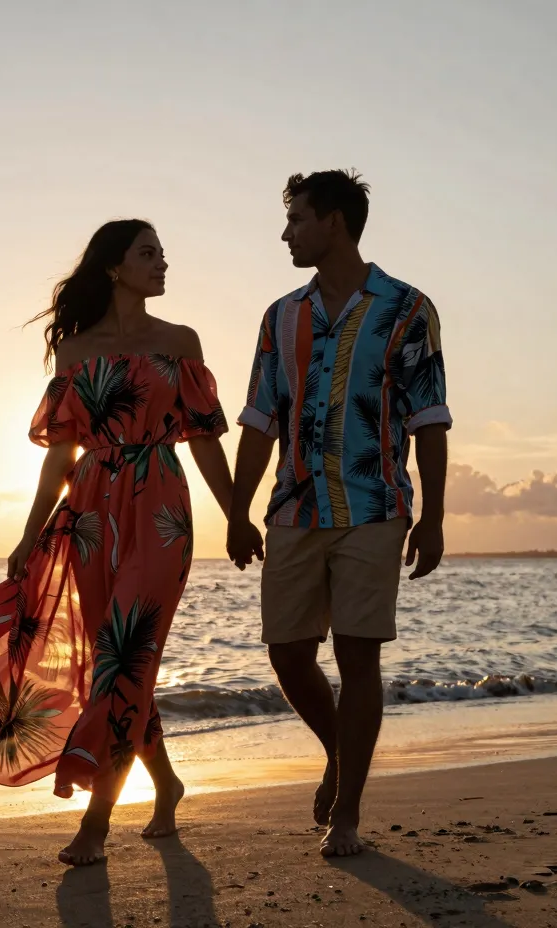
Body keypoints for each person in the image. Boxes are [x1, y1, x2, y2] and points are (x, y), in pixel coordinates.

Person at [0, 219, 234, 866]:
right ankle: (166, 783)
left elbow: (203, 437)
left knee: (126, 651)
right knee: (118, 661)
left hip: (161, 508)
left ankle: (96, 822)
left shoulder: (181, 341)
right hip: (90, 510)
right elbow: (60, 455)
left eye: (163, 255)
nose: (163, 264)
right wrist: (29, 533)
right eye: (149, 254)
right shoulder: (75, 352)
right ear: (115, 267)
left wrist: (238, 516)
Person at [226, 170, 451, 858]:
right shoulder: (281, 315)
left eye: (295, 217)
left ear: (333, 221)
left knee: (358, 657)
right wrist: (237, 512)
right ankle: (339, 754)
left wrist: (435, 517)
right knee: (287, 653)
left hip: (375, 506)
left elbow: (431, 419)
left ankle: (347, 814)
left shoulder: (407, 308)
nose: (286, 231)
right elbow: (260, 421)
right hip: (292, 508)